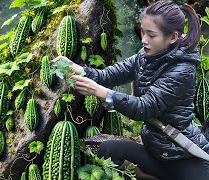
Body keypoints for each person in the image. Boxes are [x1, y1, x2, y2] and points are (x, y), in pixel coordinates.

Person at [51, 0, 209, 179]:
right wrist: (81, 70)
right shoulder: (145, 55)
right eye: (143, 32)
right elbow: (109, 76)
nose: (144, 40)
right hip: (156, 152)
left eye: (151, 35)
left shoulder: (182, 70)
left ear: (172, 37)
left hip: (183, 158)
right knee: (106, 150)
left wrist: (100, 92)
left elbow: (144, 108)